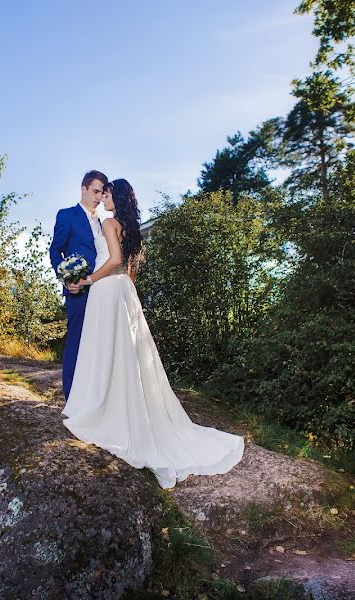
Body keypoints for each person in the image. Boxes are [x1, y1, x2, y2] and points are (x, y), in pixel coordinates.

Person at [61, 178, 245, 489]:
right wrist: (126, 293)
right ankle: (122, 406)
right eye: (100, 192)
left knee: (108, 351)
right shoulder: (130, 228)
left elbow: (115, 260)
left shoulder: (108, 222)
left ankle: (104, 408)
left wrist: (89, 279)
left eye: (106, 193)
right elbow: (130, 269)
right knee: (125, 353)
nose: (103, 197)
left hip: (107, 290)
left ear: (115, 197)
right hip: (124, 291)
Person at [49, 170, 109, 400]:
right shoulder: (67, 215)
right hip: (78, 290)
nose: (98, 197)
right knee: (76, 340)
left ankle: (93, 396)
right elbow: (56, 250)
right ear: (83, 189)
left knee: (97, 343)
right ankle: (71, 398)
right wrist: (67, 278)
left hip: (102, 289)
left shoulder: (103, 223)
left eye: (101, 193)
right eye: (95, 191)